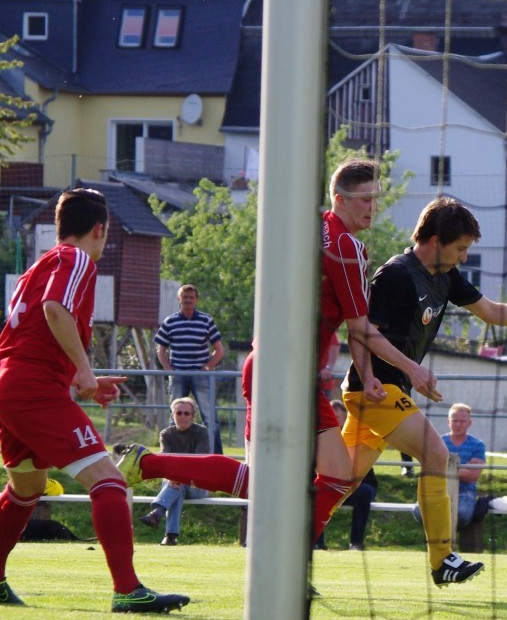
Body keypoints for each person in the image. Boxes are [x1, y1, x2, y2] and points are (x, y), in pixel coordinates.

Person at [119, 160, 434, 556]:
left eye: (376, 199)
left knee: (314, 478)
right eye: (365, 199)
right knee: (321, 479)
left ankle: (149, 466)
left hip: (269, 363)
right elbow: (361, 328)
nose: (373, 207)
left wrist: (366, 374)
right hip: (286, 372)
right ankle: (288, 560)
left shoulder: (309, 230)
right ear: (340, 199)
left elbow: (349, 325)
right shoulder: (346, 248)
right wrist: (412, 368)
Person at [0, 188, 189, 612]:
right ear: (100, 230)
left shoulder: (43, 263)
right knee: (109, 481)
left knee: (27, 487)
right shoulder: (77, 259)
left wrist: (76, 377)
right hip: (31, 388)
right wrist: (84, 372)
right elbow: (55, 310)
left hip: (2, 385)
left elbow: (36, 333)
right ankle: (127, 590)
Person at [343, 195, 507, 586]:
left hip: (387, 390)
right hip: (375, 391)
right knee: (436, 452)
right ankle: (443, 560)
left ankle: (290, 542)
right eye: (461, 248)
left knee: (340, 480)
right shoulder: (397, 275)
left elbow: (490, 311)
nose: (464, 257)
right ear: (434, 240)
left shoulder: (444, 275)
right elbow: (361, 332)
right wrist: (387, 375)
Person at [154, 284, 226, 453]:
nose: (188, 300)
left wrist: (207, 367)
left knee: (209, 418)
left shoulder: (206, 320)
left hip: (200, 375)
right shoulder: (170, 321)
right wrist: (169, 371)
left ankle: (216, 457)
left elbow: (219, 350)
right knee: (175, 416)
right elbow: (161, 350)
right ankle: (173, 456)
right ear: (179, 299)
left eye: (191, 297)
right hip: (178, 374)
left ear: (196, 300)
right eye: (184, 297)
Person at [411, 403, 488, 550]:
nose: (458, 424)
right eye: (454, 420)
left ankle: (442, 544)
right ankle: (442, 544)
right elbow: (427, 469)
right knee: (418, 511)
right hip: (438, 488)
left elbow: (473, 475)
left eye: (462, 421)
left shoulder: (478, 445)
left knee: (462, 515)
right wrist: (461, 470)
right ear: (448, 422)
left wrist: (442, 469)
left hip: (465, 491)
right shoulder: (437, 442)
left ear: (469, 423)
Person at [137, 397, 211, 546]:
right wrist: (175, 476)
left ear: (193, 416)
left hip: (198, 484)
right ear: (173, 415)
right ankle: (170, 536)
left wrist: (177, 475)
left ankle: (158, 513)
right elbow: (165, 461)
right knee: (177, 487)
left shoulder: (201, 432)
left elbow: (199, 463)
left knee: (176, 484)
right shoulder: (166, 434)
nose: (182, 417)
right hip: (174, 482)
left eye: (186, 413)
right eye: (179, 413)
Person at [321, 398, 377, 551]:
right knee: (317, 490)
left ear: (346, 417)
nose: (333, 419)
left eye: (337, 416)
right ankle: (317, 542)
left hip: (358, 484)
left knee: (364, 492)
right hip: (332, 485)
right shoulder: (321, 437)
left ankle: (356, 543)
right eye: (330, 416)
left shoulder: (357, 435)